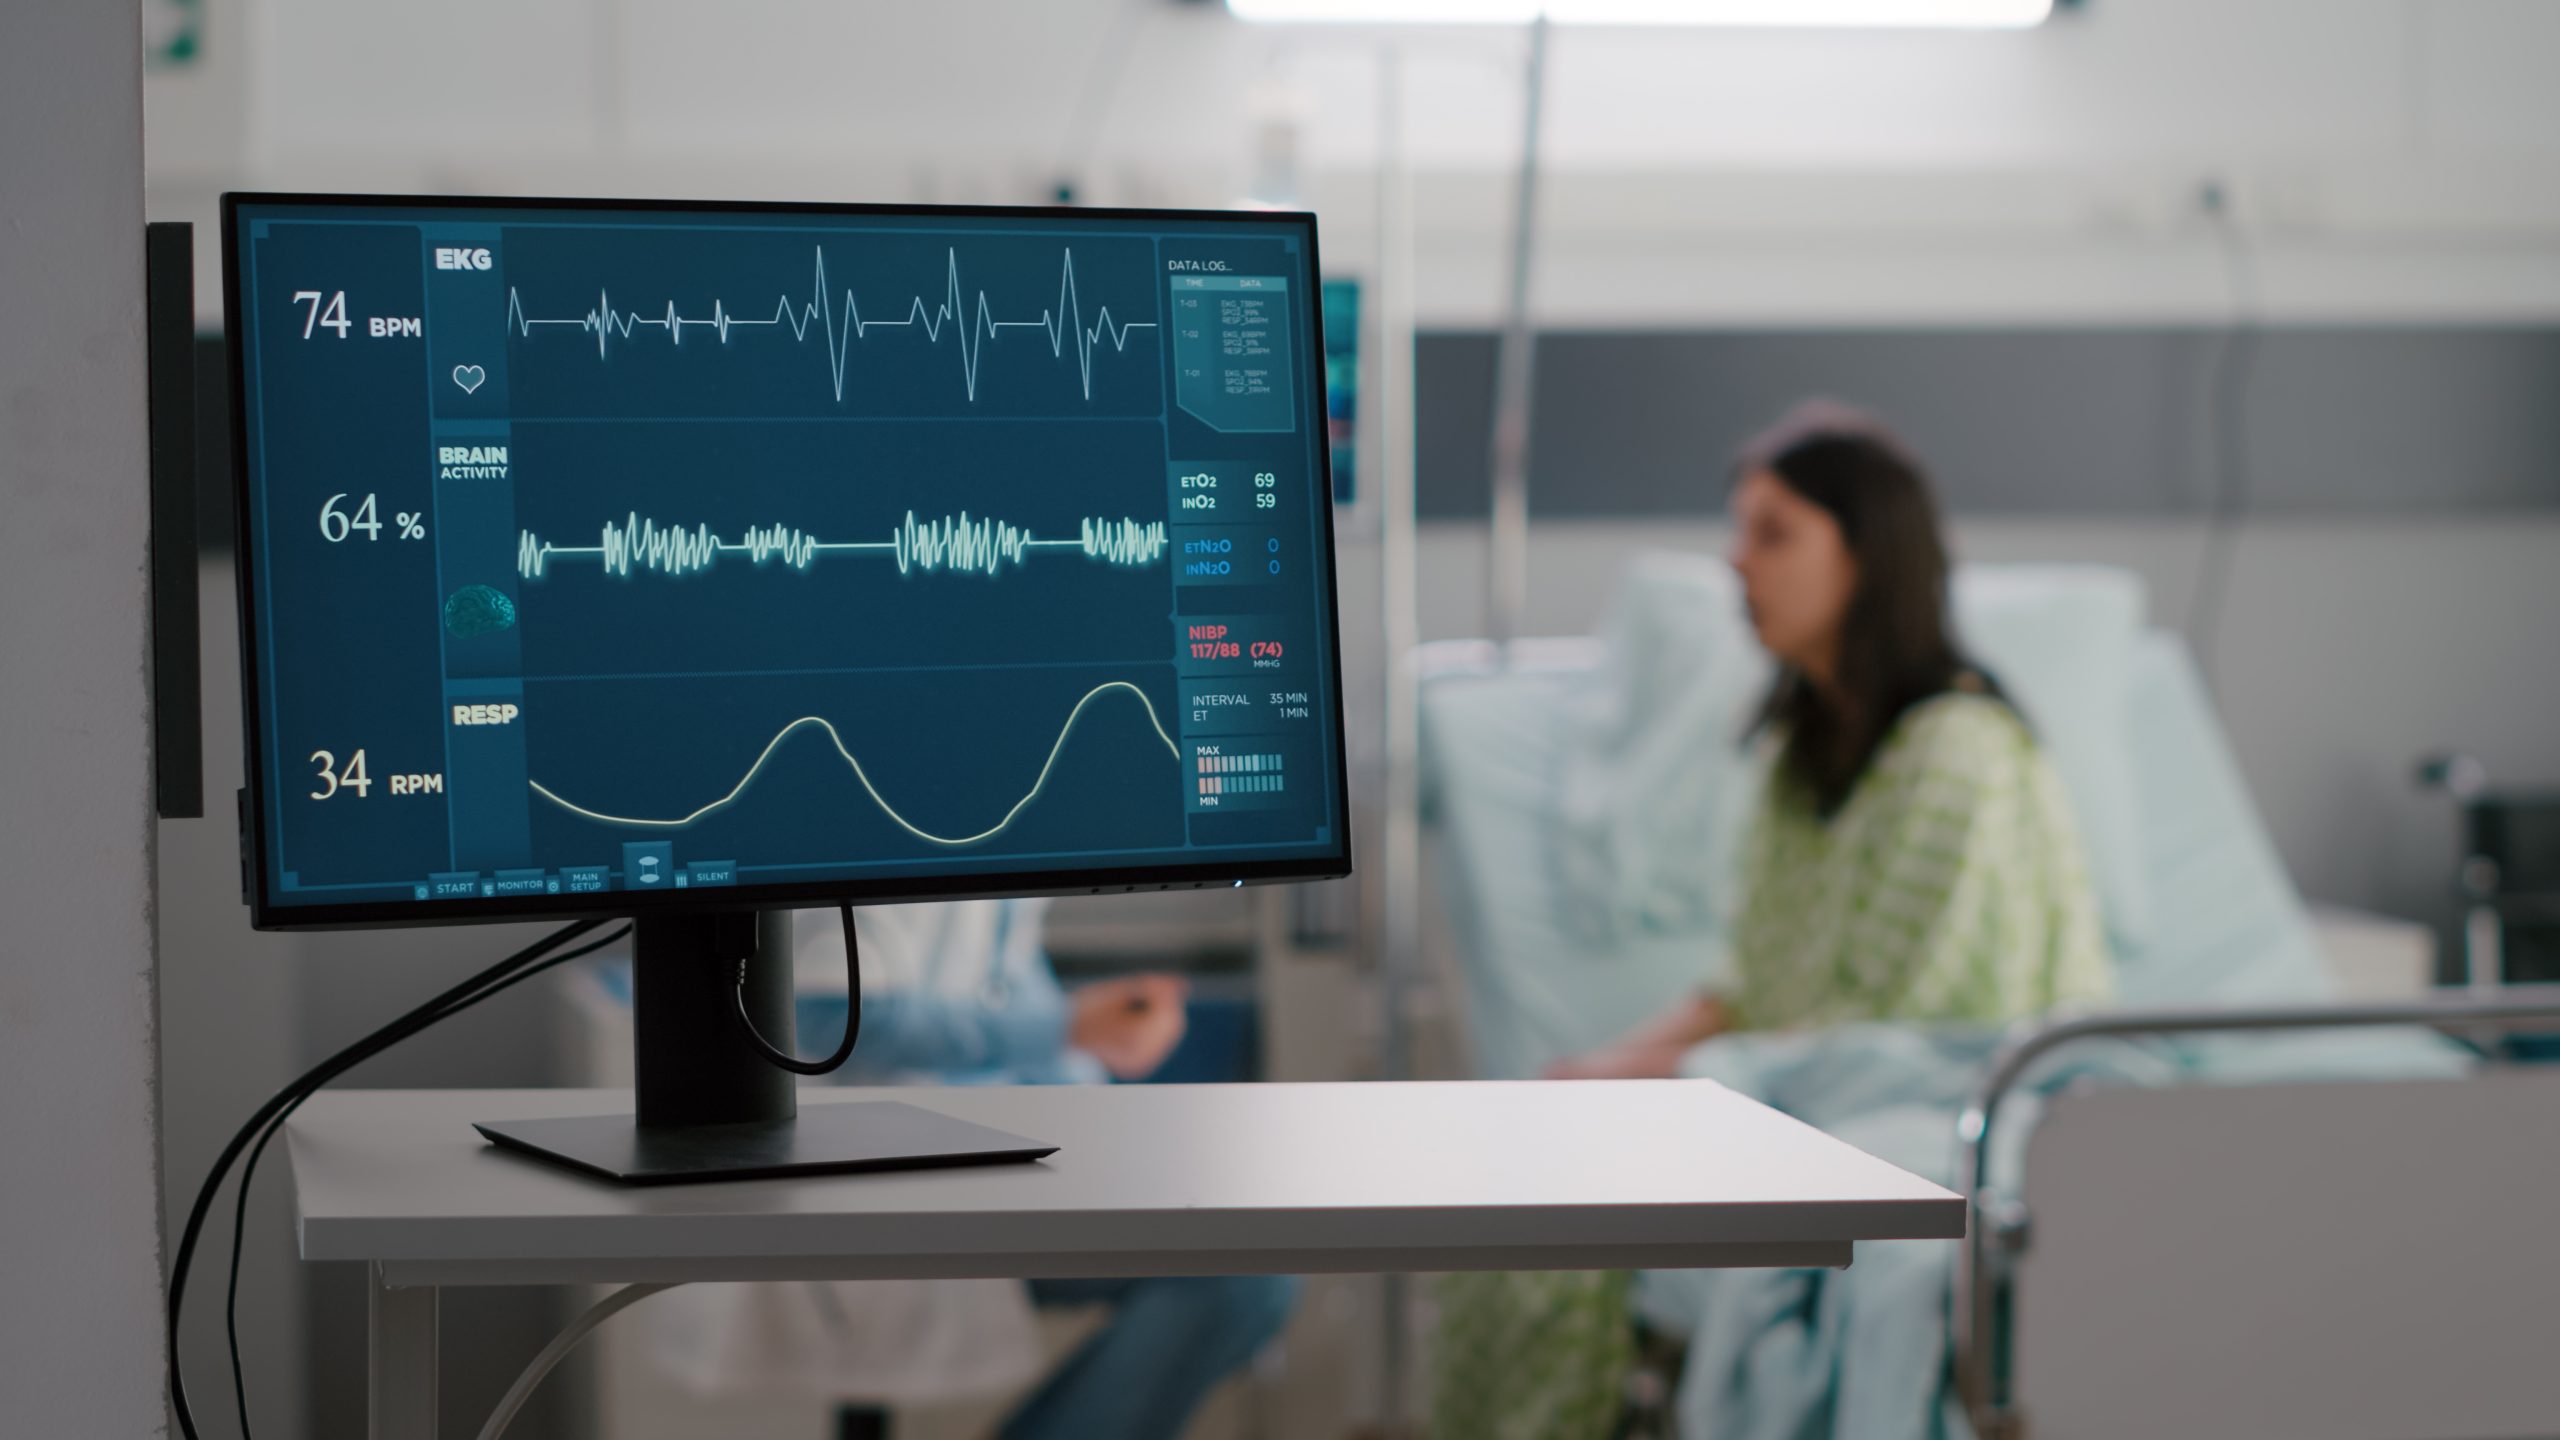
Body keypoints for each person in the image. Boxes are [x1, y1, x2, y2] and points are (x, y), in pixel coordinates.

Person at [1432, 403, 2111, 1440]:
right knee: (1533, 1157)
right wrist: (1601, 1072)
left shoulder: (1958, 755)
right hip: (1811, 1083)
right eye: (1738, 532)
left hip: (1945, 1094)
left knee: (1602, 1184)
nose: (1736, 563)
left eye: (1773, 533)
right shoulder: (1801, 761)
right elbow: (1752, 988)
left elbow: (1910, 1029)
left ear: (1867, 557)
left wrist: (1684, 1085)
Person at [794, 899, 1298, 1440]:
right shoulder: (891, 850)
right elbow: (833, 1021)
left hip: (995, 1164)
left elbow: (1019, 1002)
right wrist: (1070, 1025)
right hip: (889, 1179)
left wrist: (1102, 1072)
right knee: (1236, 1273)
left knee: (1253, 1263)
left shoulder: (1006, 880)